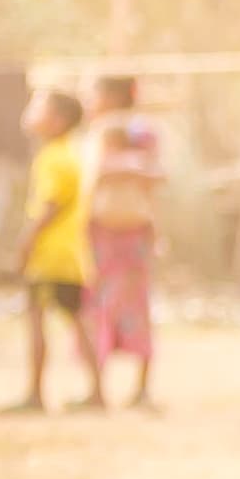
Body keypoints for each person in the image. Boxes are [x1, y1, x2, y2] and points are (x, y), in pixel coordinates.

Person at [8, 89, 103, 414]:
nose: (31, 112)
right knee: (77, 319)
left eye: (40, 107)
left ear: (58, 120)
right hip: (69, 254)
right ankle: (97, 391)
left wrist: (27, 241)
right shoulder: (69, 153)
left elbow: (50, 205)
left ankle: (36, 393)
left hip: (50, 256)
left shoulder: (54, 157)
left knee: (38, 319)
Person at [79, 73, 165, 408]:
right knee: (97, 308)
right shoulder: (97, 133)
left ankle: (140, 389)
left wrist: (123, 169)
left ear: (113, 96)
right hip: (100, 234)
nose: (90, 102)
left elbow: (158, 175)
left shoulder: (142, 131)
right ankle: (97, 387)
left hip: (134, 234)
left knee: (135, 307)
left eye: (95, 95)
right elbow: (88, 178)